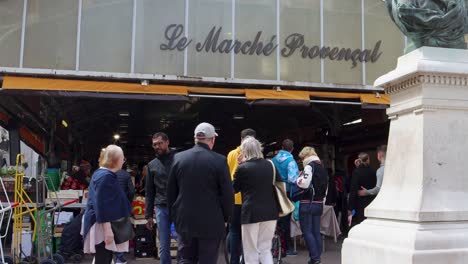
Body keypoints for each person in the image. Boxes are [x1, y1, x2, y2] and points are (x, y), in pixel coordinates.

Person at [167, 122, 234, 264]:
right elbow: (227, 194)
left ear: (195, 138)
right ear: (212, 140)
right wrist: (227, 217)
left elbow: (171, 192)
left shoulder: (178, 158)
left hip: (185, 220)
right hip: (211, 221)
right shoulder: (220, 160)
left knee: (185, 259)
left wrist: (174, 216)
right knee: (207, 260)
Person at [232, 136, 280, 264]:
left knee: (250, 250)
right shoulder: (270, 165)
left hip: (250, 213)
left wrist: (239, 165)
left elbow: (234, 188)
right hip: (270, 211)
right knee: (265, 249)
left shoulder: (242, 168)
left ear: (245, 151)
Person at [82, 145, 132, 264]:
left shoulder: (102, 174)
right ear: (116, 160)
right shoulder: (105, 177)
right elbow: (102, 205)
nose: (123, 161)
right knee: (103, 258)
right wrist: (108, 230)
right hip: (102, 225)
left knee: (105, 258)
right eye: (122, 158)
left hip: (102, 223)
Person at [227, 128, 256, 264]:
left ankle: (234, 261)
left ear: (241, 139)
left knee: (234, 232)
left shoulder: (231, 154)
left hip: (234, 199)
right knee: (248, 234)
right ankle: (246, 261)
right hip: (248, 200)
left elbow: (228, 176)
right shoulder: (253, 156)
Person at [145, 132, 176, 264]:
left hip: (178, 206)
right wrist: (148, 215)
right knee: (163, 245)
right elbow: (149, 191)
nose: (157, 146)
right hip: (161, 208)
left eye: (160, 143)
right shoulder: (152, 165)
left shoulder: (179, 159)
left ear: (167, 142)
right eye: (154, 144)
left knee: (184, 242)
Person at [296, 147, 328, 264]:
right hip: (319, 204)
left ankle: (315, 258)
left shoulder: (310, 166)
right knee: (316, 232)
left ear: (305, 156)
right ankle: (316, 257)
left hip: (307, 203)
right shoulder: (322, 169)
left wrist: (298, 178)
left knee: (307, 232)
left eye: (302, 158)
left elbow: (303, 183)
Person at [271, 139, 299, 256]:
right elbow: (293, 178)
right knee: (285, 221)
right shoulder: (291, 161)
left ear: (282, 147)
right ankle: (286, 248)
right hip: (286, 193)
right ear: (292, 149)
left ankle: (274, 246)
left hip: (274, 192)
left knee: (275, 220)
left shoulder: (273, 160)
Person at [348, 153, 376, 227]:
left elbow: (353, 190)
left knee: (361, 224)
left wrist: (350, 207)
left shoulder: (356, 172)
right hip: (372, 201)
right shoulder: (373, 171)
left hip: (360, 202)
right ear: (368, 160)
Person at [114, 166, 135, 264]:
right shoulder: (126, 175)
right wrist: (127, 201)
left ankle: (108, 256)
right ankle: (119, 257)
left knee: (108, 230)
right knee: (121, 231)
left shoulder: (105, 173)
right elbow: (131, 191)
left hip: (108, 206)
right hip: (122, 206)